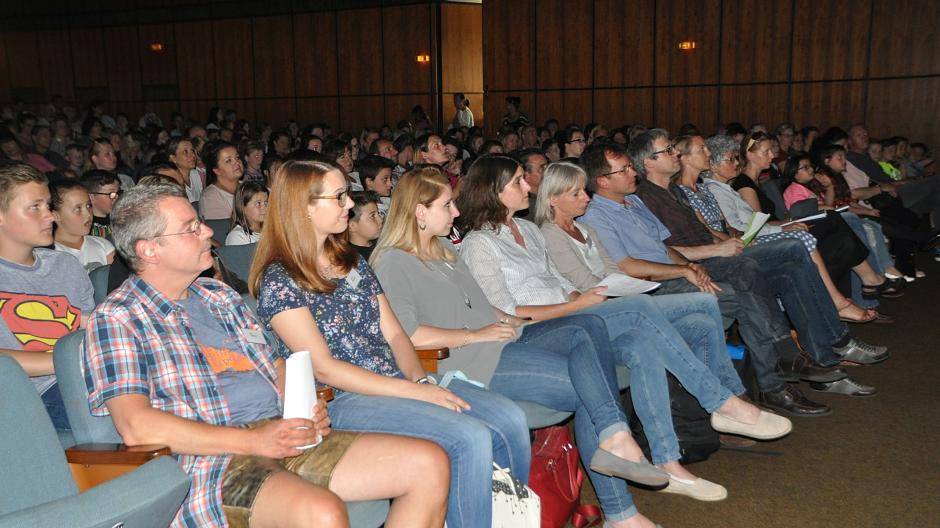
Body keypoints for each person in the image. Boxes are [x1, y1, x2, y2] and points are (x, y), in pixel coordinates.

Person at [84, 181, 449, 528]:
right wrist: (254, 441)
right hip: (213, 461)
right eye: (191, 228)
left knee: (429, 464)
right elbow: (136, 425)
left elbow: (275, 366)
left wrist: (306, 406)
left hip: (281, 435)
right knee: (319, 513)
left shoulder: (220, 298)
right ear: (149, 249)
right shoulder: (119, 317)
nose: (208, 232)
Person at [453, 158, 791, 511]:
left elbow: (561, 284)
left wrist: (580, 300)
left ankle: (667, 460)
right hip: (536, 333)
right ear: (494, 191)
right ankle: (721, 401)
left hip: (573, 317)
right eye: (519, 182)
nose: (528, 186)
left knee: (645, 341)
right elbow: (506, 312)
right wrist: (577, 305)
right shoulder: (480, 244)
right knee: (640, 309)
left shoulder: (530, 231)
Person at [250, 158, 530, 528]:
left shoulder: (351, 262)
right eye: (338, 197)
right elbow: (325, 367)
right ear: (303, 208)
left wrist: (420, 382)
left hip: (398, 383)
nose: (349, 205)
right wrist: (412, 392)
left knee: (507, 418)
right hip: (345, 400)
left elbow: (396, 334)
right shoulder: (281, 280)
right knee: (469, 438)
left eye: (346, 195)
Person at [580, 140, 885, 408]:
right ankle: (779, 375)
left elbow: (664, 245)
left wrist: (687, 265)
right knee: (747, 280)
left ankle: (815, 359)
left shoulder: (633, 202)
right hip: (654, 285)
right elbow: (628, 266)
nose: (631, 172)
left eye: (629, 167)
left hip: (683, 267)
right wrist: (686, 268)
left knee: (788, 268)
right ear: (602, 181)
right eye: (623, 170)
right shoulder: (598, 215)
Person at [0, 162, 94, 432]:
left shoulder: (65, 265)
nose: (50, 217)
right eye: (35, 208)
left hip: (85, 376)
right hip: (33, 396)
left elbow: (88, 324)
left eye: (48, 206)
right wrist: (68, 359)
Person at [51, 179, 116, 270]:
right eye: (78, 209)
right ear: (56, 216)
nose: (88, 214)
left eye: (88, 206)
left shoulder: (103, 245)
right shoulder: (49, 253)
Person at [200, 140, 243, 220]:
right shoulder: (210, 197)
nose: (237, 162)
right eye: (228, 161)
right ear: (217, 170)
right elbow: (222, 229)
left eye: (237, 157)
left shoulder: (248, 186)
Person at [80, 169, 122, 239]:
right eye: (111, 194)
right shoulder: (85, 229)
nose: (116, 197)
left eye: (118, 192)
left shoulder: (120, 220)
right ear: (91, 197)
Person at [225, 181, 267, 246]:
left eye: (266, 203)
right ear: (242, 207)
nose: (265, 208)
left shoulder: (269, 230)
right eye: (258, 203)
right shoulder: (237, 237)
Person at [167, 136, 206, 203]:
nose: (193, 155)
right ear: (173, 158)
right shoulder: (171, 183)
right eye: (185, 152)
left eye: (192, 151)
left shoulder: (197, 174)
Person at [347, 191, 384, 260]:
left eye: (378, 213)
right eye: (372, 216)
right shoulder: (354, 260)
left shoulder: (381, 242)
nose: (380, 220)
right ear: (352, 226)